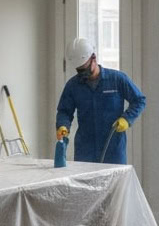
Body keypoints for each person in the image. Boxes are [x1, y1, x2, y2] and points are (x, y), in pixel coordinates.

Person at [56, 37, 146, 165]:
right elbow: (64, 111)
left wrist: (127, 118)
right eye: (79, 70)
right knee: (84, 184)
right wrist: (62, 125)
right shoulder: (73, 86)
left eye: (85, 69)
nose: (83, 74)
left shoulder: (116, 79)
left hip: (113, 148)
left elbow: (139, 100)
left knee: (114, 184)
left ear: (94, 58)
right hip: (85, 150)